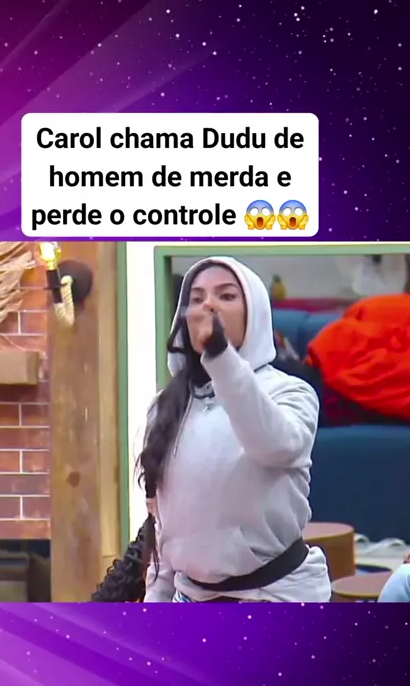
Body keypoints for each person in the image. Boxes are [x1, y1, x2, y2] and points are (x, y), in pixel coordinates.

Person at [137, 256, 331, 603]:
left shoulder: (290, 392)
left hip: (275, 596)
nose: (208, 305)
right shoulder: (165, 406)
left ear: (254, 314)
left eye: (226, 296)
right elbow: (165, 527)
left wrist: (220, 356)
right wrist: (156, 602)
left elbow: (274, 445)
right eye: (197, 299)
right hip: (188, 599)